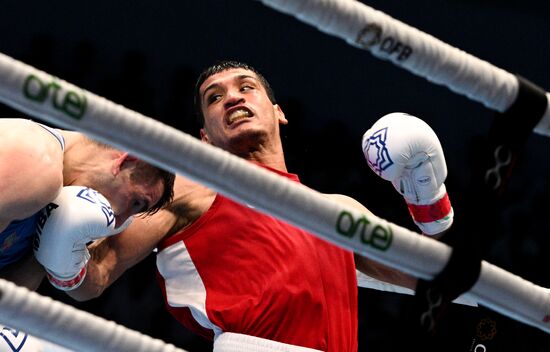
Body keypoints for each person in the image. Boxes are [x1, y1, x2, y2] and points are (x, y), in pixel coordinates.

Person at [41, 61, 453, 351]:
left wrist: (429, 202)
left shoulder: (337, 210)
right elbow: (97, 273)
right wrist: (63, 249)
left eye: (246, 87)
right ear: (204, 139)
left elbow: (435, 282)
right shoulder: (188, 190)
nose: (232, 98)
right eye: (214, 97)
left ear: (278, 113)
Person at [0, 118, 175, 291]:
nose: (116, 223)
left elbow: (9, 305)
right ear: (125, 161)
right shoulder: (37, 165)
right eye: (136, 202)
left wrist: (43, 254)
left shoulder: (57, 204)